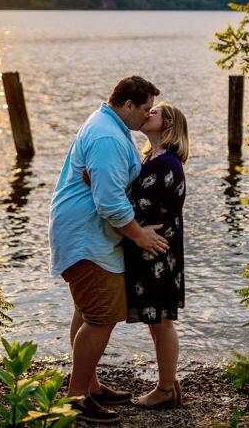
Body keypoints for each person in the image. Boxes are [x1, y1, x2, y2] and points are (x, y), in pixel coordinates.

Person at [49, 75, 170, 424]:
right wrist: (138, 235)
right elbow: (110, 202)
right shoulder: (106, 135)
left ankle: (90, 384)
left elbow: (109, 187)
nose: (148, 114)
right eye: (145, 108)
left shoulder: (111, 127)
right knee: (101, 318)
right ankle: (77, 398)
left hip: (86, 235)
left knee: (88, 313)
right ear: (128, 104)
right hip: (87, 237)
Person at [124, 102, 189, 409]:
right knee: (156, 320)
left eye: (154, 112)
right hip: (152, 246)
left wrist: (95, 184)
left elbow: (137, 206)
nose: (147, 113)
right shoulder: (152, 156)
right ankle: (170, 382)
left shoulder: (166, 164)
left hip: (158, 250)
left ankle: (164, 388)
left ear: (168, 123)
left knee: (160, 319)